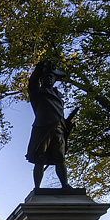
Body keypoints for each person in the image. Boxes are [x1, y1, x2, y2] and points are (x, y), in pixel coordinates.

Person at [26, 60, 77, 189]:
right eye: (46, 77)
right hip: (43, 129)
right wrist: (37, 71)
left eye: (51, 77)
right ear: (41, 79)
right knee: (40, 159)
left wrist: (67, 124)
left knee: (60, 159)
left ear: (55, 80)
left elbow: (58, 113)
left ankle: (65, 185)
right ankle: (37, 187)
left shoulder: (58, 96)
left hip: (58, 128)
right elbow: (32, 84)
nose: (49, 79)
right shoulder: (38, 93)